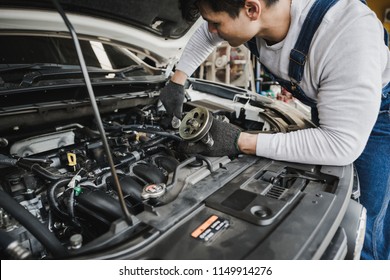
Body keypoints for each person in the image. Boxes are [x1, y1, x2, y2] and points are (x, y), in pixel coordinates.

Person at [159, 0, 390, 260]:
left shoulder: (346, 33)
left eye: (217, 23)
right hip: (332, 100)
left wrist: (240, 141)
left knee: (367, 223)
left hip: (382, 114)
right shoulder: (255, 19)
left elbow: (340, 144)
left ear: (252, 9)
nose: (211, 29)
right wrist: (178, 81)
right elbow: (205, 32)